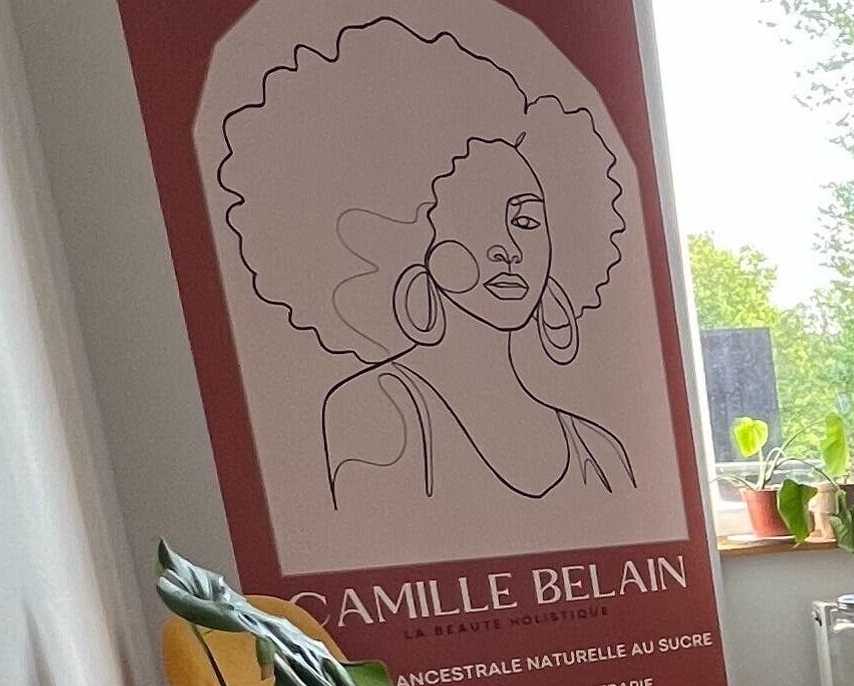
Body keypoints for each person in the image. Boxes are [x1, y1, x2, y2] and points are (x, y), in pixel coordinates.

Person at [219, 19, 635, 509]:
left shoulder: (599, 450)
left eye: (525, 220)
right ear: (407, 232)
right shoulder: (377, 410)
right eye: (473, 219)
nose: (508, 249)